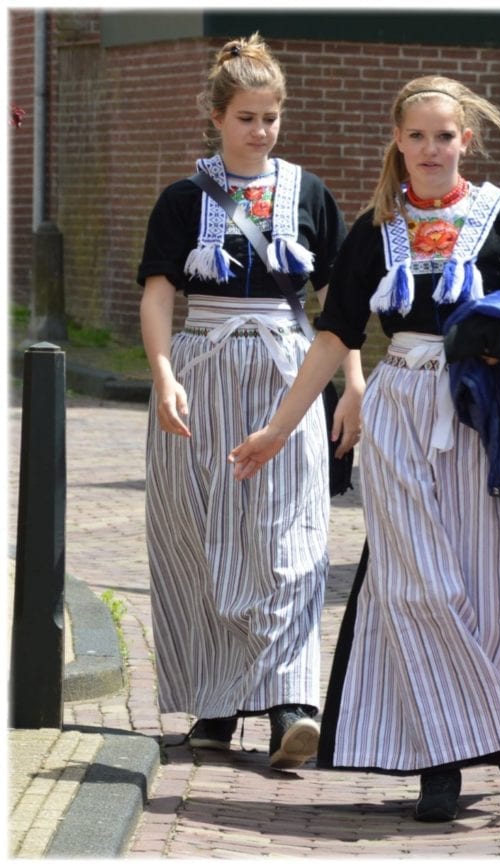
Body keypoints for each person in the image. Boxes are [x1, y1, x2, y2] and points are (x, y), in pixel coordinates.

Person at [228, 75, 500, 823]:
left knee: (497, 576)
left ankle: (498, 704)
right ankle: (445, 763)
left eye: (443, 135)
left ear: (466, 142)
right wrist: (279, 427)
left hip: (484, 415)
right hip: (400, 412)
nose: (430, 149)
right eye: (416, 135)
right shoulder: (373, 231)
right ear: (398, 140)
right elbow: (334, 338)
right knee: (417, 584)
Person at [137, 33, 355, 770]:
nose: (261, 130)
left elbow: (339, 305)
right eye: (247, 117)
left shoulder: (311, 195)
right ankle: (217, 702)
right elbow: (160, 293)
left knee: (290, 535)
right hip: (204, 369)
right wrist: (164, 373)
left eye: (271, 117)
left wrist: (351, 381)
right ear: (215, 116)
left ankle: (292, 699)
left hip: (287, 373)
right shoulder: (180, 200)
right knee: (201, 536)